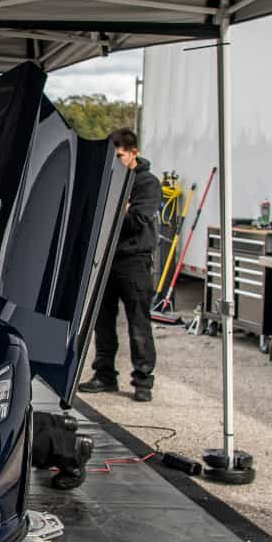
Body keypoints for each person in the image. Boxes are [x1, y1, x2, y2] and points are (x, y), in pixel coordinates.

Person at [79, 129, 162, 404]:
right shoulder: (108, 179)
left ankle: (143, 381)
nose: (116, 161)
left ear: (133, 153)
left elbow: (136, 220)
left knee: (139, 322)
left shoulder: (147, 183)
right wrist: (120, 208)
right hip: (106, 260)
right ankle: (104, 375)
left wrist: (120, 211)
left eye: (120, 156)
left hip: (134, 261)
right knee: (102, 322)